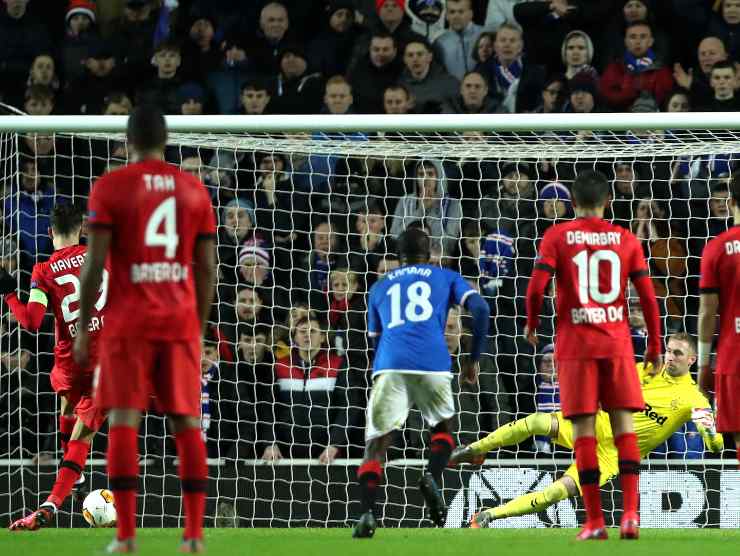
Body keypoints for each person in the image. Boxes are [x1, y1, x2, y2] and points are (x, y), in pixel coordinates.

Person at [73, 105, 216, 553]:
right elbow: (208, 265)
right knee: (187, 422)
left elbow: (94, 264)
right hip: (178, 319)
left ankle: (126, 537)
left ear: (129, 141)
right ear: (166, 139)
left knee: (122, 420)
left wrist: (81, 327)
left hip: (127, 322)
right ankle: (193, 536)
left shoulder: (111, 187)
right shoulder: (193, 189)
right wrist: (200, 325)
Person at [451, 334, 723, 525]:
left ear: (691, 359)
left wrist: (711, 433)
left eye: (677, 353)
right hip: (595, 425)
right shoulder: (647, 369)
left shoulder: (695, 400)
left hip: (612, 455)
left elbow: (715, 448)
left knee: (557, 492)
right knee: (536, 422)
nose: (670, 357)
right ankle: (476, 450)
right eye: (669, 350)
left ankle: (490, 515)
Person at [524, 169, 662, 540]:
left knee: (584, 432)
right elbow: (648, 298)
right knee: (624, 428)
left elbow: (536, 287)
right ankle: (631, 515)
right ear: (608, 201)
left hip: (576, 345)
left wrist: (532, 323)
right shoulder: (626, 238)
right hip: (617, 343)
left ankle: (596, 521)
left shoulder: (557, 235)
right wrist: (654, 344)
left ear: (572, 202)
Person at [352, 228, 490, 538]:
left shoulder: (379, 286)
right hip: (434, 362)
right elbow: (481, 309)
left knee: (376, 446)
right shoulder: (445, 276)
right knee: (442, 431)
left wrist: (386, 371)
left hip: (389, 363)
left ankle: (367, 514)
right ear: (429, 253)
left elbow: (375, 338)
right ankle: (432, 475)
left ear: (399, 257)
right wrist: (472, 359)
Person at [4, 205, 108, 531]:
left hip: (70, 362)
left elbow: (32, 322)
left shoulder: (42, 270)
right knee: (82, 438)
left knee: (67, 402)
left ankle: (73, 479)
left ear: (50, 233)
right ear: (82, 230)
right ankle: (52, 502)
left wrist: (8, 294)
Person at [698, 172, 740, 470]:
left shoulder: (718, 247)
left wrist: (702, 365)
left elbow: (706, 312)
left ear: (732, 200)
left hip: (734, 356)